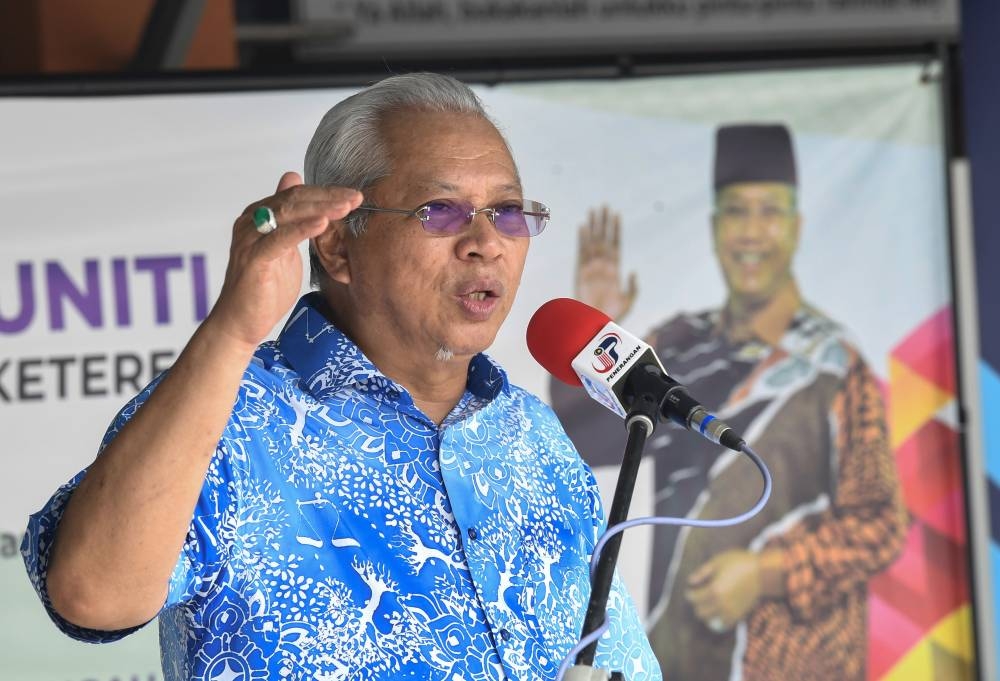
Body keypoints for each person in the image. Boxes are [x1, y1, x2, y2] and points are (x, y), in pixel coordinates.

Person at [21, 73, 660, 681]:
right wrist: (232, 330)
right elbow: (91, 596)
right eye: (440, 211)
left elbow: (622, 660)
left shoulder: (529, 435)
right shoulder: (233, 413)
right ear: (337, 247)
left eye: (508, 211)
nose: (486, 242)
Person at [550, 123, 908, 680]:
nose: (751, 233)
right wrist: (592, 347)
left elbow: (881, 522)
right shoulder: (680, 345)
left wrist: (769, 572)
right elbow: (586, 444)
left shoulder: (835, 365)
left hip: (793, 662)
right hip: (676, 655)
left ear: (796, 228)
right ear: (716, 229)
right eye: (737, 213)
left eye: (770, 212)